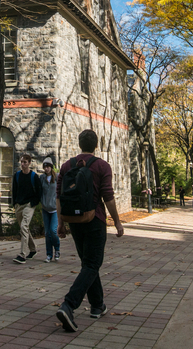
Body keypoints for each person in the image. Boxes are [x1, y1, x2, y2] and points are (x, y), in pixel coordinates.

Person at [55, 129, 124, 333]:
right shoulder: (102, 166)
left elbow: (59, 197)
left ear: (79, 144)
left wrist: (61, 224)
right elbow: (108, 197)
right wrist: (118, 222)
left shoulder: (67, 166)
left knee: (89, 264)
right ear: (96, 145)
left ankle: (97, 305)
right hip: (94, 220)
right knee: (92, 264)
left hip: (74, 221)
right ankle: (68, 304)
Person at [10, 153, 41, 263]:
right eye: (21, 162)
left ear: (29, 163)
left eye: (25, 162)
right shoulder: (17, 176)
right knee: (24, 228)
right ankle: (32, 250)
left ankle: (22, 255)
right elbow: (14, 190)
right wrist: (14, 204)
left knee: (24, 226)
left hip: (29, 205)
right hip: (19, 204)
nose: (23, 164)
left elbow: (39, 192)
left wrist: (33, 203)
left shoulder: (34, 177)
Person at [40, 158, 60, 262]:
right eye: (45, 167)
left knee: (53, 231)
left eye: (48, 167)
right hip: (45, 208)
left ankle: (57, 249)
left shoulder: (56, 177)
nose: (46, 169)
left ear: (51, 167)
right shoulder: (42, 178)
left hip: (55, 209)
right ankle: (49, 254)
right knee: (47, 233)